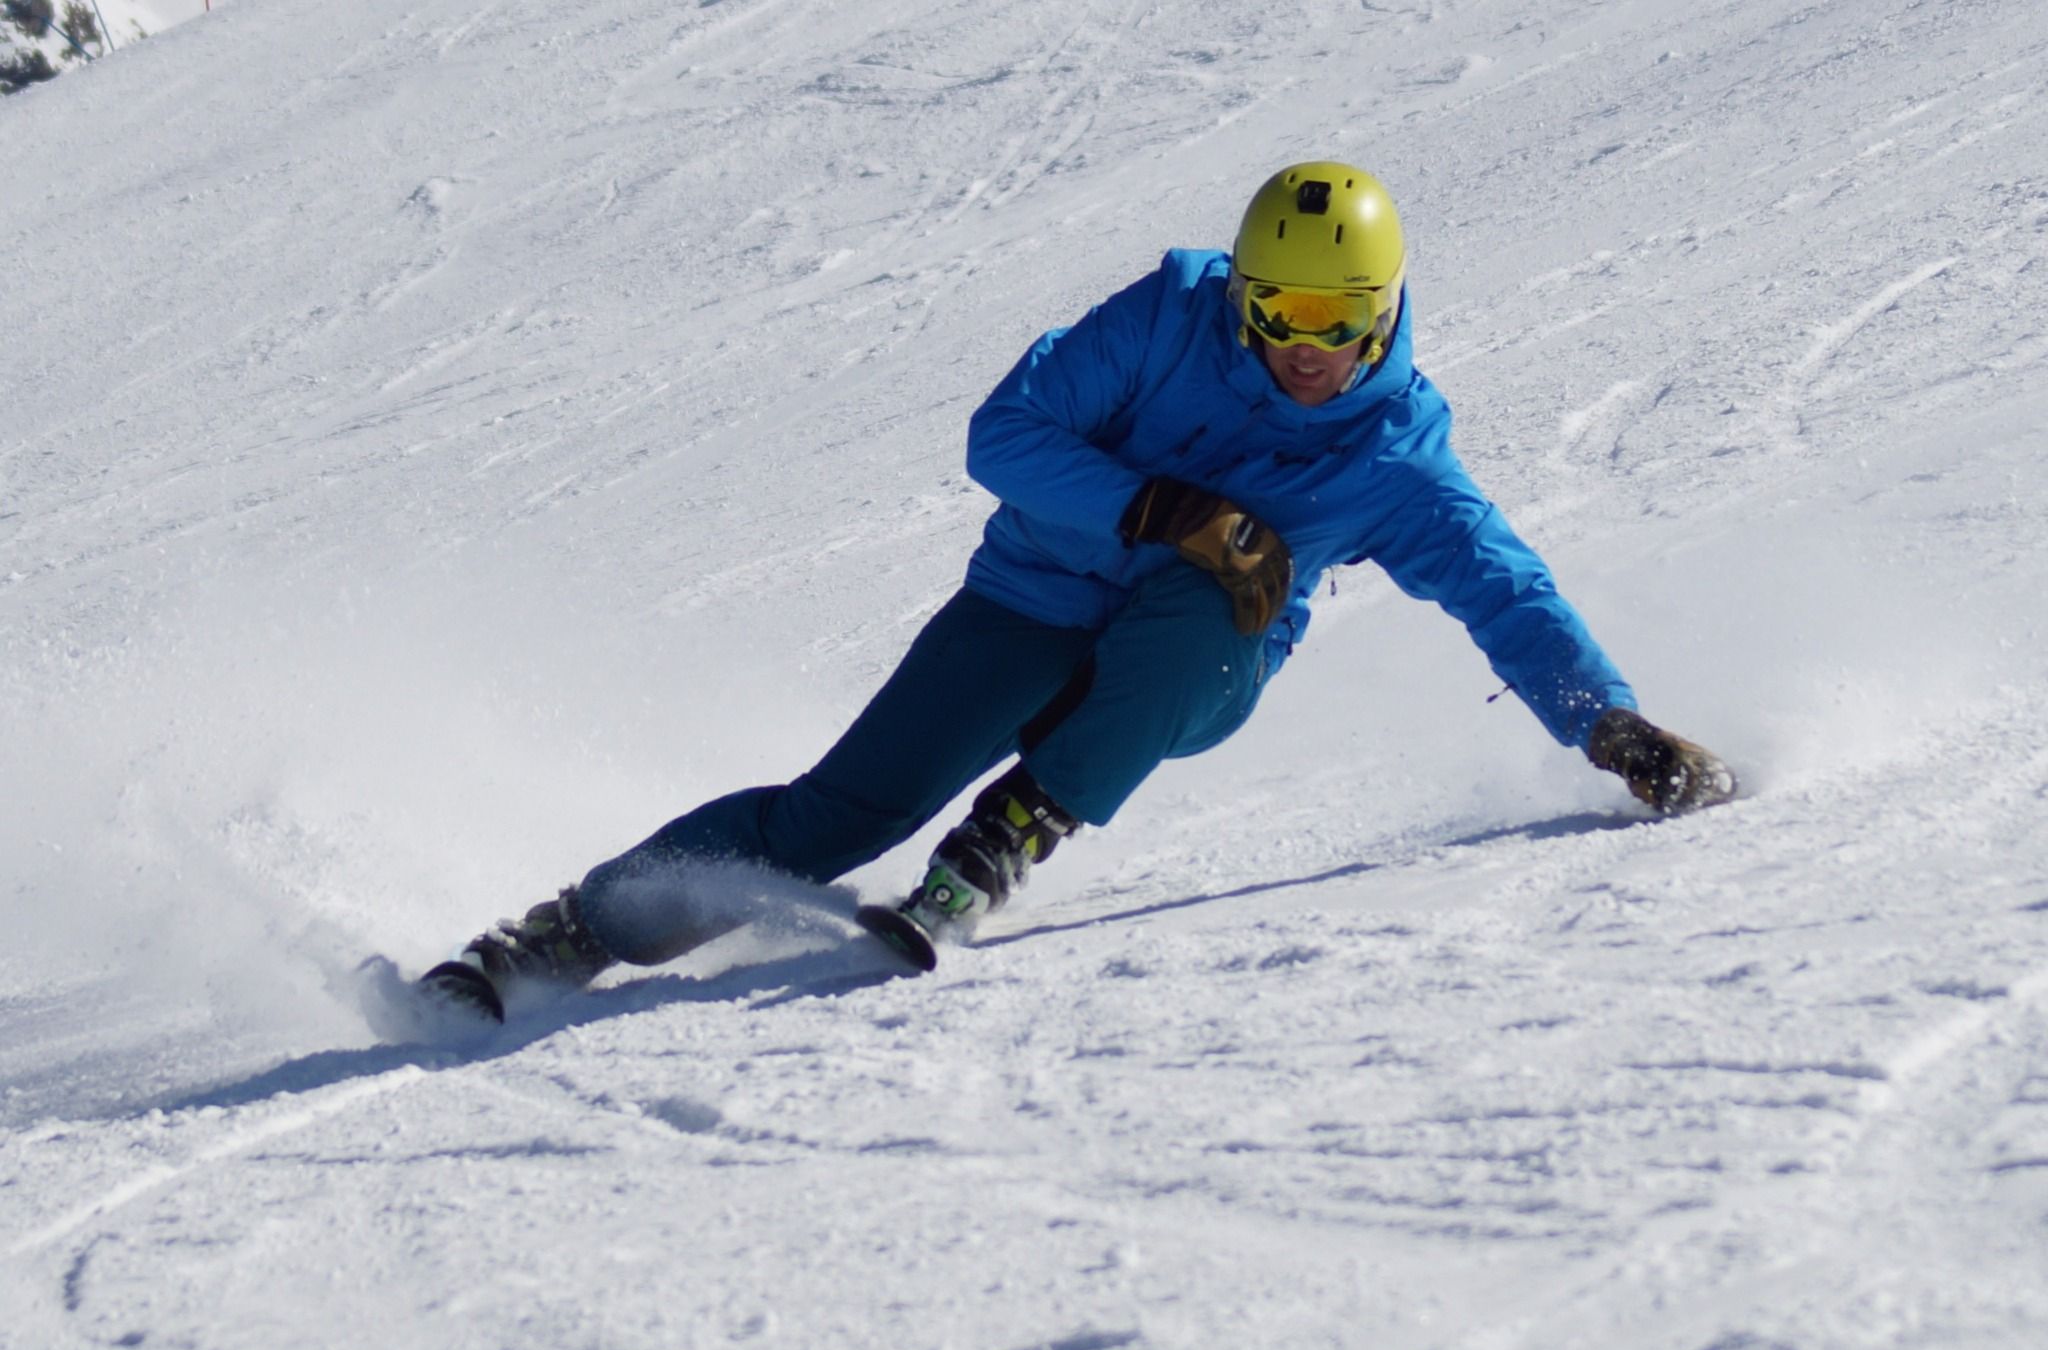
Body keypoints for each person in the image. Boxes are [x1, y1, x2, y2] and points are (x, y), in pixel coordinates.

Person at [428, 160, 1735, 1017]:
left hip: (1194, 659)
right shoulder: (1170, 316)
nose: (1305, 350)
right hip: (1033, 600)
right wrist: (1157, 504)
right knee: (833, 815)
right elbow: (1001, 432)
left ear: (1387, 312)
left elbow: (1502, 587)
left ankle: (1009, 838)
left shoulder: (1398, 457)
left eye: (1337, 321)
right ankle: (564, 931)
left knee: (1223, 581)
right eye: (1277, 311)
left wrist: (1606, 722)